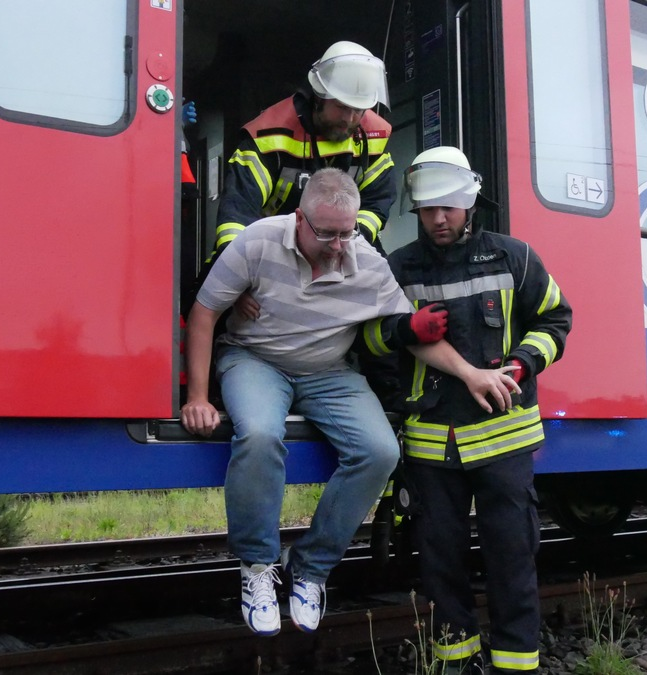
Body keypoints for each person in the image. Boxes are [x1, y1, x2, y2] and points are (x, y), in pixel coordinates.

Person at [181, 168, 519, 637]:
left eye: (348, 232)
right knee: (259, 434)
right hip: (256, 359)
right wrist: (197, 396)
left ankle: (311, 569)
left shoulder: (365, 260)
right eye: (327, 233)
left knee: (381, 451)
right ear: (299, 219)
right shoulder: (258, 241)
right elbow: (205, 311)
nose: (340, 245)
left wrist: (469, 372)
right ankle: (257, 566)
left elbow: (412, 336)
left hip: (329, 370)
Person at [375, 147, 573, 672]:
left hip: (504, 442)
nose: (438, 219)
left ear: (469, 204)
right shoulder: (398, 268)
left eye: (448, 208)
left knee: (512, 562)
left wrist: (523, 365)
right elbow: (370, 338)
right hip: (430, 446)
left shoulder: (515, 258)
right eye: (428, 209)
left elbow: (556, 321)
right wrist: (401, 330)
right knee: (440, 568)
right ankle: (457, 663)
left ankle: (515, 666)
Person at [201, 40, 396, 321]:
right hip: (272, 248)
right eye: (342, 107)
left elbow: (377, 205)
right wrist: (238, 280)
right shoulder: (268, 135)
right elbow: (236, 215)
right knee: (214, 292)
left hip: (340, 244)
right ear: (318, 96)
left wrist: (346, 246)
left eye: (359, 110)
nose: (351, 119)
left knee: (386, 291)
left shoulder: (374, 136)